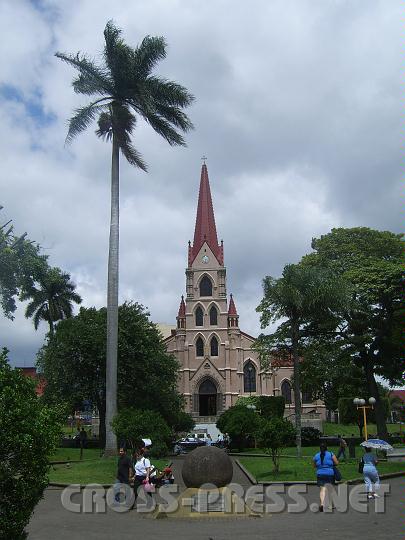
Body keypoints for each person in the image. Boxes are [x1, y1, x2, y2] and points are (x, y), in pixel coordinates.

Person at [313, 443, 339, 512]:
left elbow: (314, 465)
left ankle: (322, 504)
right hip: (330, 474)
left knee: (322, 489)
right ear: (326, 448)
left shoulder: (316, 455)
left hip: (320, 474)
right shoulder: (330, 454)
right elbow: (336, 463)